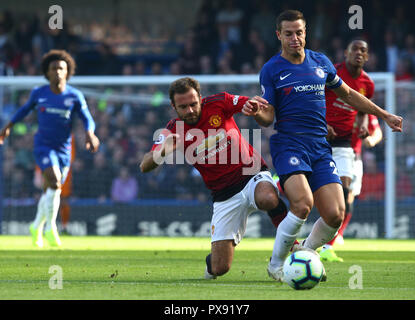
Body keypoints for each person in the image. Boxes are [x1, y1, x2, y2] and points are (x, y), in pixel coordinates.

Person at [254, 10, 402, 282]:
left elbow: (348, 94)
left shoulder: (320, 62)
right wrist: (257, 112)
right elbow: (267, 117)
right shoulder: (272, 69)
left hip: (321, 148)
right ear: (279, 35)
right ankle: (276, 265)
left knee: (336, 214)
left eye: (299, 32)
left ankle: (305, 255)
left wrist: (384, 115)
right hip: (290, 145)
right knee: (302, 205)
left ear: (305, 32)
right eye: (288, 34)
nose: (295, 38)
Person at [140, 77, 288, 279]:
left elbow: (250, 105)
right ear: (173, 107)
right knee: (220, 268)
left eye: (193, 104)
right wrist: (162, 152)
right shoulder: (172, 131)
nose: (190, 110)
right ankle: (213, 261)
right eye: (183, 107)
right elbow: (144, 166)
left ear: (200, 98)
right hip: (223, 195)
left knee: (268, 199)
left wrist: (254, 108)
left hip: (250, 174)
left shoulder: (219, 102)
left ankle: (291, 249)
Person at [0, 49, 100, 247]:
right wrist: (7, 127)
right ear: (47, 72)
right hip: (43, 146)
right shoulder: (39, 93)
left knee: (51, 191)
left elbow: (87, 118)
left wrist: (90, 133)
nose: (57, 72)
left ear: (67, 71)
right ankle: (50, 229)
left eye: (61, 68)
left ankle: (36, 225)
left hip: (64, 149)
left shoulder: (74, 96)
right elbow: (24, 110)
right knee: (54, 183)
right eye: (53, 68)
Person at [321, 39, 382, 261]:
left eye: (363, 51)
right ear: (345, 52)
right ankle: (281, 182)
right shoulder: (331, 73)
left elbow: (363, 107)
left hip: (345, 142)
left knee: (345, 193)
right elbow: (315, 98)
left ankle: (328, 245)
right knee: (309, 190)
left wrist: (364, 123)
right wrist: (321, 123)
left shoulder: (368, 83)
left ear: (367, 57)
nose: (358, 53)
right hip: (320, 137)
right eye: (354, 49)